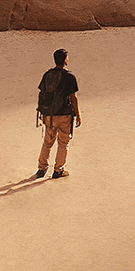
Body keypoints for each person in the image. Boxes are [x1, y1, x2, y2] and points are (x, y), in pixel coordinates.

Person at [32, 48, 79, 179]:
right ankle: (58, 170)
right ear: (64, 60)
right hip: (64, 115)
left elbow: (42, 92)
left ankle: (41, 169)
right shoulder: (70, 76)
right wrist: (78, 115)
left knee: (48, 142)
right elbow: (73, 98)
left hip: (49, 114)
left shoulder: (47, 75)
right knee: (63, 143)